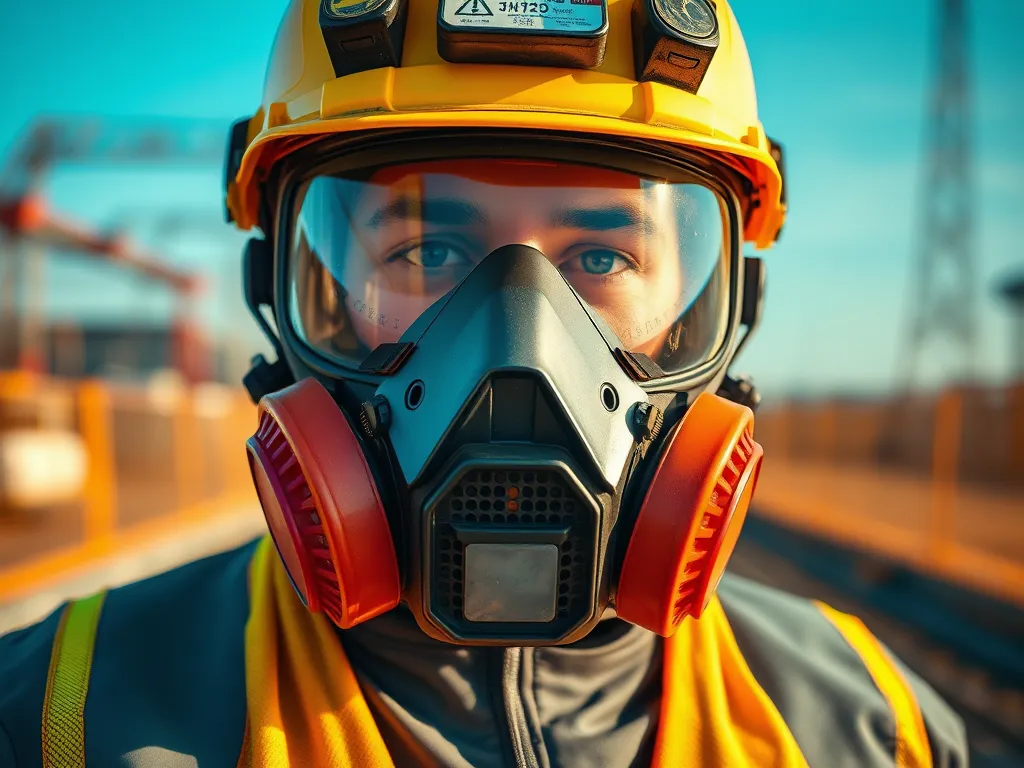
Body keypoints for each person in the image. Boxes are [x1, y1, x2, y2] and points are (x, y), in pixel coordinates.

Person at [0, 0, 968, 765]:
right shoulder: (53, 717)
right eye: (426, 248)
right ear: (284, 297)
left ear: (723, 307)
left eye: (599, 259)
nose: (523, 343)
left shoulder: (880, 732)